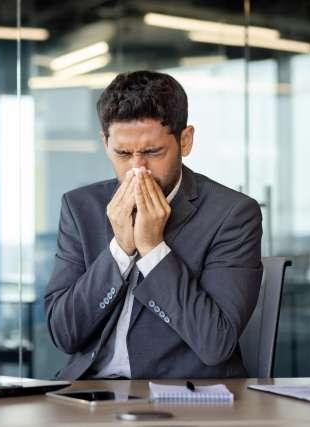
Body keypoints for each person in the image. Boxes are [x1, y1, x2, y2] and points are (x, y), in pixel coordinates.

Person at [44, 70, 263, 380]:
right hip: (89, 394)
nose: (137, 170)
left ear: (185, 141)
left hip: (180, 396)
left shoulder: (233, 215)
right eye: (122, 153)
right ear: (106, 143)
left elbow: (215, 343)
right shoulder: (81, 208)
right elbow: (64, 334)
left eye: (152, 152)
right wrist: (120, 251)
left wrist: (152, 249)